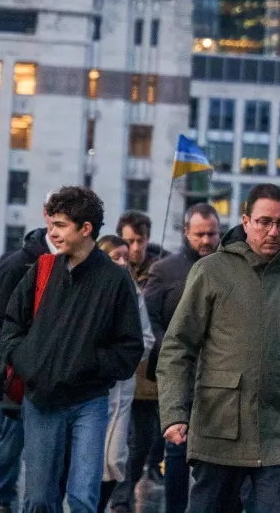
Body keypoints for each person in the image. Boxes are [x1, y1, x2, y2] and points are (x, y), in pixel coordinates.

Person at [0, 185, 145, 513]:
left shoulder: (115, 280)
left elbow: (130, 348)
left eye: (60, 225)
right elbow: (7, 326)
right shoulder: (41, 269)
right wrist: (24, 364)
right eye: (51, 224)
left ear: (85, 229)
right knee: (39, 499)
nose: (52, 232)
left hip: (90, 401)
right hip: (41, 400)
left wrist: (89, 364)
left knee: (82, 497)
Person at [155, 183, 280, 512]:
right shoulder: (211, 271)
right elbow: (177, 347)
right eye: (265, 222)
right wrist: (174, 414)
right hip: (218, 424)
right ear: (246, 220)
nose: (274, 231)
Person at [146, 201, 223, 513]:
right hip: (179, 373)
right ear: (186, 233)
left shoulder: (227, 268)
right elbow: (147, 319)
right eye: (199, 234)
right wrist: (172, 348)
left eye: (212, 234)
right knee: (176, 449)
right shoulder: (165, 270)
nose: (206, 240)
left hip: (218, 374)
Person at [0, 225, 49, 513]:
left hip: (47, 369)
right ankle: (3, 494)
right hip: (16, 368)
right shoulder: (16, 266)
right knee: (11, 435)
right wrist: (5, 363)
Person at [99, 235, 157, 511]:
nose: (123, 262)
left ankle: (105, 502)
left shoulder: (134, 292)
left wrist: (122, 360)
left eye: (125, 257)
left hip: (122, 384)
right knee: (88, 460)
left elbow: (145, 338)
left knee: (114, 459)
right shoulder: (90, 288)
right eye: (115, 257)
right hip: (88, 388)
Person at [112, 209, 163, 510]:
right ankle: (119, 496)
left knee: (142, 440)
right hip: (119, 374)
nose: (134, 248)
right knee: (119, 439)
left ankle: (127, 487)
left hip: (147, 376)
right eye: (128, 241)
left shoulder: (159, 271)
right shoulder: (111, 269)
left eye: (139, 240)